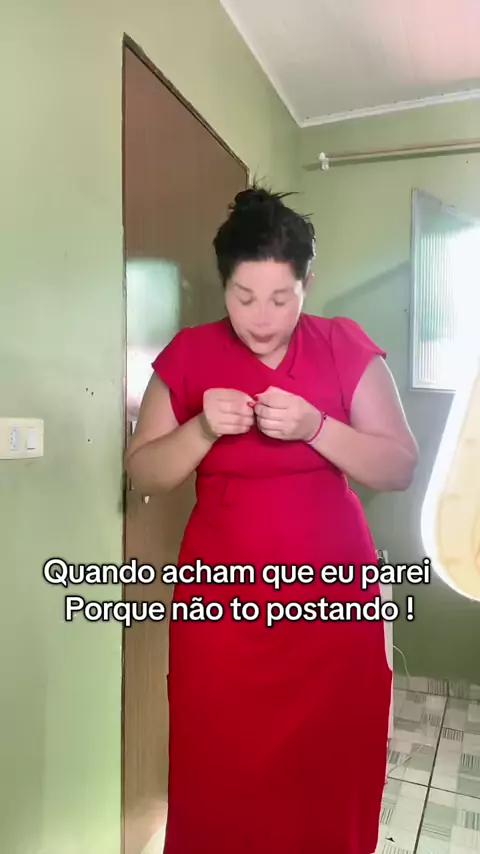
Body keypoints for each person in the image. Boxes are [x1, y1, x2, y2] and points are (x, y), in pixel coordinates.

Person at [125, 186, 419, 854]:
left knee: (327, 768)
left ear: (308, 283)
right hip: (221, 614)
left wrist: (317, 428)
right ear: (223, 285)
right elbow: (145, 473)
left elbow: (398, 466)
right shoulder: (190, 355)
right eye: (244, 297)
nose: (262, 318)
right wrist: (201, 429)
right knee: (218, 765)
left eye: (282, 298)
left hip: (331, 608)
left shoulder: (343, 347)